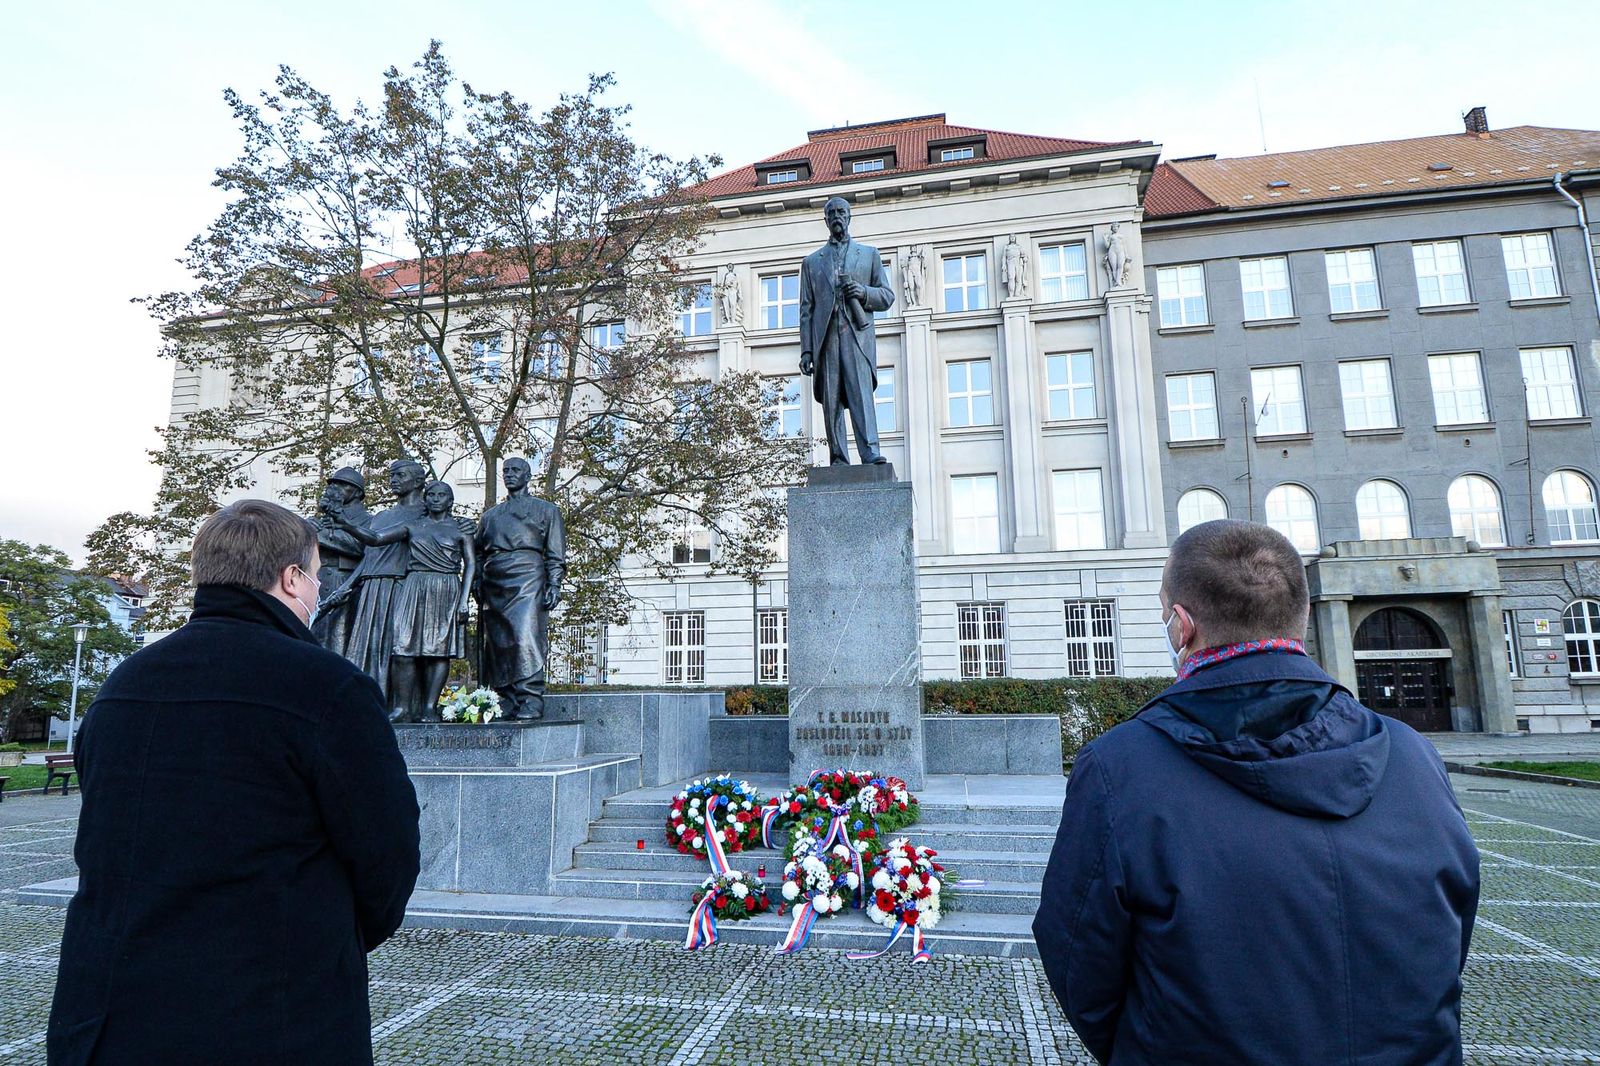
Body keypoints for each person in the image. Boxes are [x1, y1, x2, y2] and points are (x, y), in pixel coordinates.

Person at [1033, 519, 1479, 1066]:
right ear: (1304, 617)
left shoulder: (1121, 767)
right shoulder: (1413, 756)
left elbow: (1078, 955)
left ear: (1180, 626)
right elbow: (1451, 929)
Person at [48, 499, 421, 1066]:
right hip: (271, 1010)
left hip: (112, 1006)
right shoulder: (329, 687)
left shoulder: (125, 683)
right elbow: (388, 853)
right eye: (318, 577)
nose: (320, 593)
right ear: (293, 578)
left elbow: (98, 839)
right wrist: (326, 942)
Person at [333, 480, 475, 722]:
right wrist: (346, 524)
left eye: (441, 495)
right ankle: (402, 707)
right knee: (402, 649)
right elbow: (376, 538)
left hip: (445, 587)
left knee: (439, 652)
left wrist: (464, 601)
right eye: (430, 494)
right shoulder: (413, 526)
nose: (435, 499)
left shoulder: (461, 530)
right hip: (414, 585)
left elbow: (471, 564)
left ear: (450, 501)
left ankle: (429, 708)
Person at [798, 196, 895, 466]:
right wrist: (806, 350)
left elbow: (887, 296)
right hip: (826, 338)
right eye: (832, 213)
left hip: (856, 335)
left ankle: (870, 452)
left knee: (860, 393)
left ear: (849, 217)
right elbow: (806, 309)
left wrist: (863, 292)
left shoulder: (869, 255)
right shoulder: (812, 262)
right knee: (831, 400)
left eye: (842, 212)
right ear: (826, 220)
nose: (837, 216)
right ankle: (838, 457)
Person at [475, 456, 565, 720]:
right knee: (499, 641)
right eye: (506, 471)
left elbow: (555, 553)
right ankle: (505, 697)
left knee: (525, 635)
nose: (509, 474)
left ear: (528, 476)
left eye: (516, 470)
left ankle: (530, 697)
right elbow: (478, 551)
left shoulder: (546, 510)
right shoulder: (490, 516)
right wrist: (478, 581)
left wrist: (554, 583)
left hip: (528, 577)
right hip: (495, 580)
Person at [341, 458, 427, 704]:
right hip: (371, 588)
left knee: (399, 650)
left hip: (403, 586)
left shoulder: (427, 513)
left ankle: (403, 707)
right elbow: (368, 558)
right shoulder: (380, 516)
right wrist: (346, 588)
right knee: (366, 652)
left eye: (400, 475)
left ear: (419, 481)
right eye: (392, 475)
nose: (394, 480)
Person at [310, 466, 370, 656]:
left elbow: (360, 546)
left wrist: (319, 534)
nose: (335, 488)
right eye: (333, 484)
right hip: (317, 579)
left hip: (345, 581)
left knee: (339, 640)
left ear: (357, 492)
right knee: (314, 637)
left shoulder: (367, 520)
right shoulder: (322, 519)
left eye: (342, 485)